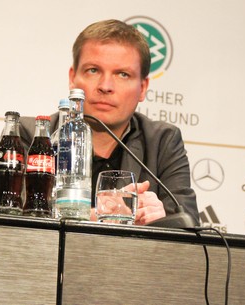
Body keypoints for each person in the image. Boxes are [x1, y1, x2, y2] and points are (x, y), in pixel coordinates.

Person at [19, 19, 199, 225]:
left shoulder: (162, 142)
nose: (105, 86)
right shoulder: (33, 134)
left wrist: (164, 220)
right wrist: (102, 214)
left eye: (122, 74)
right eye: (93, 70)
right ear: (72, 78)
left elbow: (190, 225)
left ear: (143, 87)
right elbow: (14, 212)